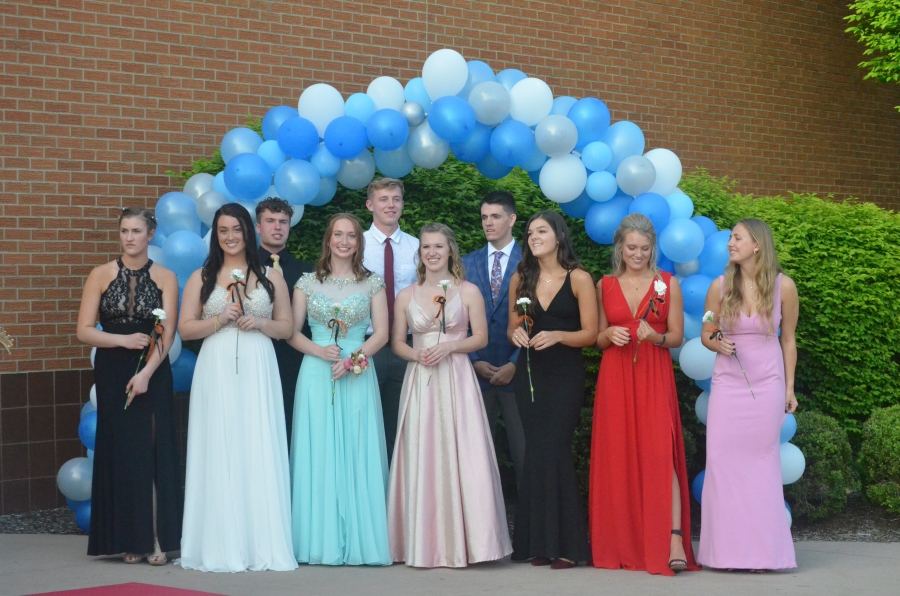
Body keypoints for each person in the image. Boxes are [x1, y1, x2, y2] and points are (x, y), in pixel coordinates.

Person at [177, 203, 297, 572]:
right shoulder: (202, 276)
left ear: (248, 232)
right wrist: (219, 318)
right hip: (216, 366)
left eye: (236, 229)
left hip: (259, 365)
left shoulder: (270, 276)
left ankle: (260, 542)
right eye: (223, 230)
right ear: (216, 235)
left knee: (256, 444)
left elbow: (286, 328)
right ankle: (218, 542)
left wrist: (259, 321)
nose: (230, 236)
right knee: (220, 444)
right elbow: (185, 329)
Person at [387, 223, 512, 568]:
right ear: (420, 253)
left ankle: (472, 542)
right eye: (426, 247)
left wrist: (450, 348)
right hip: (420, 377)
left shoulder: (468, 290)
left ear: (450, 251)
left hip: (456, 376)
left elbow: (482, 338)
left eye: (438, 247)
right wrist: (419, 355)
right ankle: (419, 541)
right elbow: (398, 342)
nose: (432, 252)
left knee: (463, 452)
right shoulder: (405, 295)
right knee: (422, 451)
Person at [588, 213, 699, 575]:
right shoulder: (603, 284)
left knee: (659, 454)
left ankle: (674, 539)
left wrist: (656, 337)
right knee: (618, 455)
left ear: (653, 249)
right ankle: (624, 541)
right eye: (631, 247)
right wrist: (610, 336)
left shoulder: (668, 284)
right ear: (620, 246)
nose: (637, 254)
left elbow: (678, 337)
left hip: (653, 373)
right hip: (616, 376)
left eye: (644, 248)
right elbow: (598, 337)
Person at [76, 207, 182, 565]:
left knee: (151, 453)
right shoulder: (99, 274)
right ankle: (129, 540)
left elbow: (167, 332)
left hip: (152, 371)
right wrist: (121, 342)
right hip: (112, 370)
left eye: (137, 231)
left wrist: (147, 373)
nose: (129, 237)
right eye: (124, 231)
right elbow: (84, 330)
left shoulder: (166, 277)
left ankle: (155, 539)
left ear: (150, 235)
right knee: (122, 455)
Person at [288, 213, 391, 566]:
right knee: (318, 448)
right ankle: (318, 540)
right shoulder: (305, 283)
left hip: (357, 374)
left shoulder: (372, 283)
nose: (344, 241)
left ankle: (361, 540)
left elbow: (381, 334)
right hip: (316, 372)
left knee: (356, 445)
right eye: (338, 235)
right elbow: (291, 331)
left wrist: (352, 362)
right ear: (328, 240)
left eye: (351, 236)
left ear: (358, 242)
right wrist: (320, 352)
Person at [697, 218, 799, 571]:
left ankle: (762, 554)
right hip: (728, 387)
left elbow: (789, 339)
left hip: (767, 386)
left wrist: (788, 387)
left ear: (757, 244)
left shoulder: (784, 287)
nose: (730, 243)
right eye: (729, 238)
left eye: (737, 238)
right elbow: (706, 332)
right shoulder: (719, 286)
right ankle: (724, 554)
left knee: (761, 467)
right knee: (723, 465)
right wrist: (717, 341)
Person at [507, 210, 597, 569]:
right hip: (530, 376)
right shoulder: (521, 278)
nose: (533, 237)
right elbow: (514, 325)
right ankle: (538, 544)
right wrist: (515, 333)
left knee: (555, 450)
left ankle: (567, 546)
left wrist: (559, 334)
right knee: (535, 453)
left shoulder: (579, 278)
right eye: (529, 233)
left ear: (558, 235)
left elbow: (590, 334)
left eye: (541, 231)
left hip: (564, 376)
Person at [461, 190, 525, 487]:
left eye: (496, 216)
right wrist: (473, 360)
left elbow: (540, 318)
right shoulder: (465, 263)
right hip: (476, 371)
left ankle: (529, 528)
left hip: (518, 371)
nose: (488, 223)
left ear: (511, 219)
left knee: (524, 453)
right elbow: (455, 319)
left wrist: (515, 362)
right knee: (475, 456)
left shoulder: (532, 262)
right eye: (484, 217)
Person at [362, 177, 419, 462]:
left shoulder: (417, 247)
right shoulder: (354, 245)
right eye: (383, 199)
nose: (390, 205)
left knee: (401, 426)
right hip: (366, 347)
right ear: (370, 205)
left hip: (405, 348)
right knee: (364, 424)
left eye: (396, 199)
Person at [256, 197, 314, 445]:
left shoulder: (307, 272)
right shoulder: (245, 269)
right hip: (257, 357)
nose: (277, 227)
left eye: (283, 222)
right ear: (258, 227)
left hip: (296, 363)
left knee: (294, 428)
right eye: (270, 221)